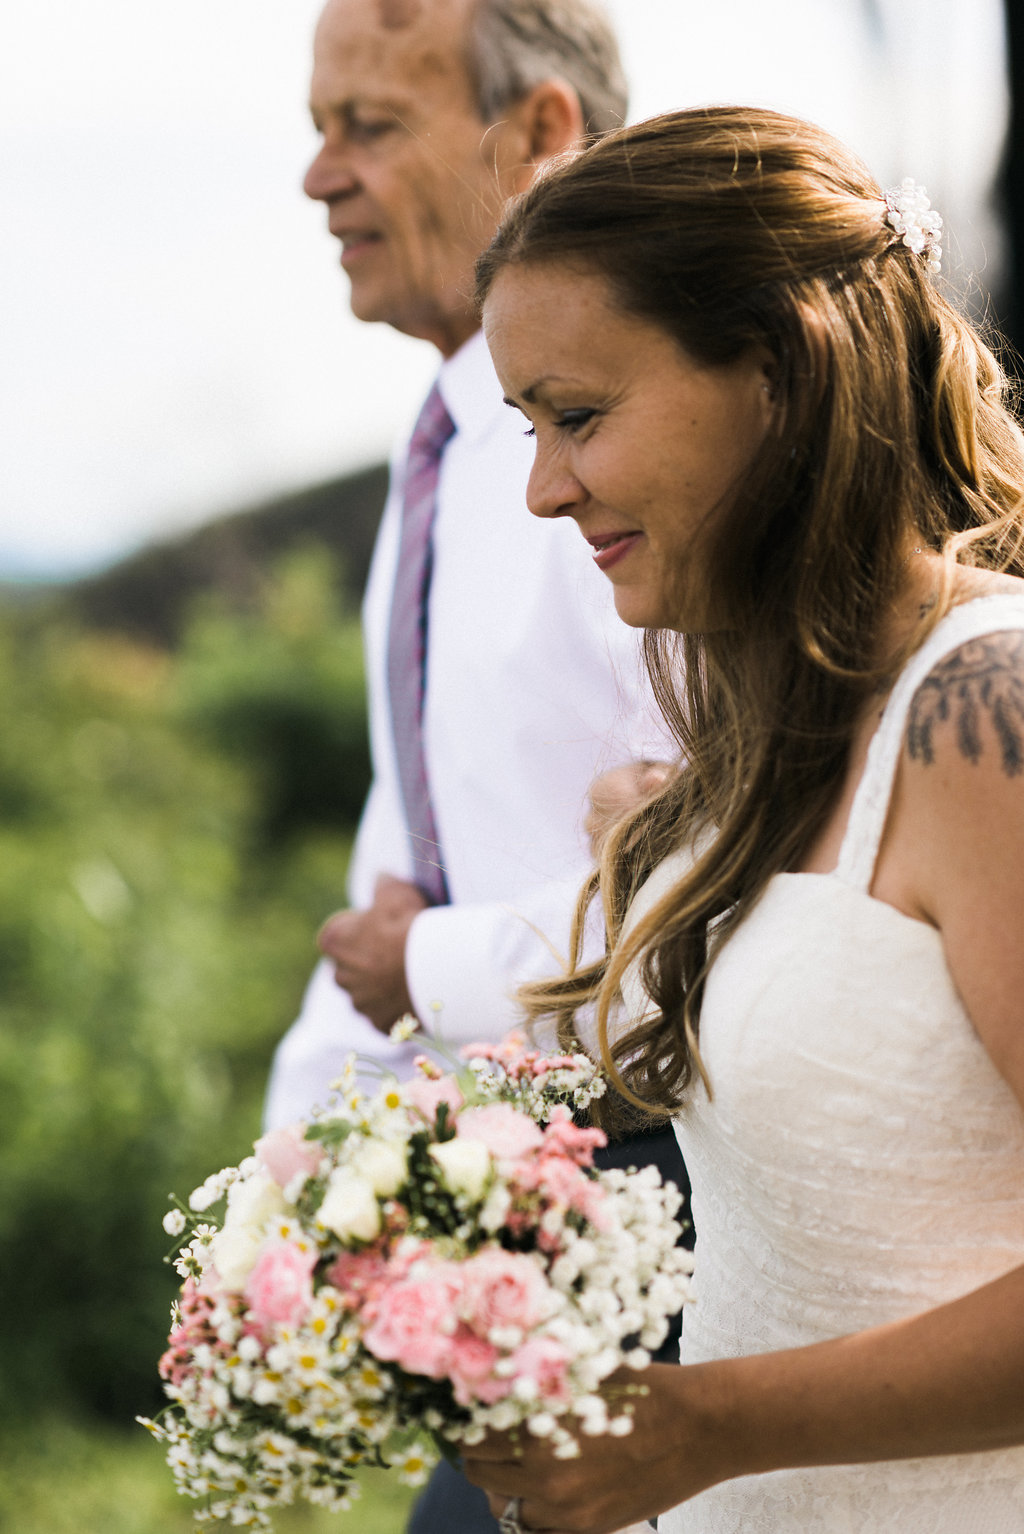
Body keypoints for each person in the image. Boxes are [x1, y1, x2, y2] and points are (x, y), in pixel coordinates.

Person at [464, 105, 1024, 1530]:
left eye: (578, 415)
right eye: (529, 427)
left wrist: (708, 1424)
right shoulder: (766, 722)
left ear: (780, 366)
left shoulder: (991, 712)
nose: (542, 488)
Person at [264, 0, 665, 1128]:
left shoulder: (644, 463)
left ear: (539, 128)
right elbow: (395, 873)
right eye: (319, 125)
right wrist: (274, 1217)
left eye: (371, 125)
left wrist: (432, 962)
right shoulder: (438, 448)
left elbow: (738, 869)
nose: (319, 175)